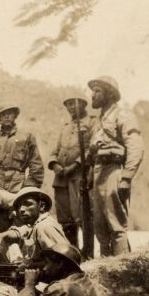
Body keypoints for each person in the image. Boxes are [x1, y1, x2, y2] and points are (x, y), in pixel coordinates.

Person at [0, 187, 67, 296]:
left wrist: (29, 269)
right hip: (39, 284)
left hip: (48, 292)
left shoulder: (44, 227)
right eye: (19, 206)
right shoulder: (37, 225)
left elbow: (61, 263)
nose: (21, 209)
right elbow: (22, 231)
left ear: (42, 206)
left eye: (27, 204)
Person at [88, 76, 145, 256]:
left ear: (110, 94)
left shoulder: (123, 115)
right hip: (98, 174)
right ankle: (106, 272)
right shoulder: (97, 121)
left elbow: (135, 146)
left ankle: (122, 271)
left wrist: (126, 177)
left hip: (114, 171)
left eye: (98, 91)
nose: (93, 95)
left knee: (116, 225)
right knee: (100, 227)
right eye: (93, 91)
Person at [49, 97, 96, 247]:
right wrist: (54, 164)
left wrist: (76, 165)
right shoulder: (65, 127)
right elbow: (55, 150)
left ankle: (87, 253)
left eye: (75, 103)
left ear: (83, 104)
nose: (71, 107)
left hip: (79, 177)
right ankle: (73, 254)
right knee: (65, 220)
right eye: (68, 104)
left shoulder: (91, 124)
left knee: (83, 217)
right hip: (61, 179)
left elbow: (91, 149)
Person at [0, 104, 44, 193]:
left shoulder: (26, 137)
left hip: (18, 183)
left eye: (10, 113)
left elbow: (36, 164)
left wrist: (29, 186)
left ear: (15, 115)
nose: (7, 116)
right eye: (3, 114)